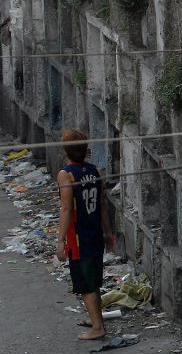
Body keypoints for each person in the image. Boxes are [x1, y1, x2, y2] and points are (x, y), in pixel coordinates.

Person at [56, 128, 116, 340]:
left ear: (66, 151)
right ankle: (96, 320)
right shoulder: (95, 171)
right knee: (94, 281)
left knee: (85, 285)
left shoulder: (67, 175)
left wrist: (60, 240)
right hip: (95, 235)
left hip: (79, 238)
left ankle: (98, 328)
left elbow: (66, 209)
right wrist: (108, 233)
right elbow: (102, 206)